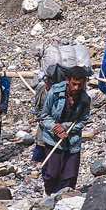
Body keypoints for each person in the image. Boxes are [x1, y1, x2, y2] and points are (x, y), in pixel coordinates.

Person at [39, 67, 92, 195]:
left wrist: (68, 129)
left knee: (70, 174)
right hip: (52, 139)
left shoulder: (85, 99)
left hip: (72, 140)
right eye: (74, 84)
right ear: (68, 80)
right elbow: (45, 116)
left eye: (80, 85)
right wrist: (56, 128)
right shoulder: (55, 92)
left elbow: (83, 119)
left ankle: (66, 199)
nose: (76, 88)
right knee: (52, 173)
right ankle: (50, 197)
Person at [31, 76, 52, 163]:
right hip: (42, 119)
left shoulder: (55, 93)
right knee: (40, 139)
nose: (47, 84)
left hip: (51, 120)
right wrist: (39, 115)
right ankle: (37, 160)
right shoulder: (41, 89)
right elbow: (37, 104)